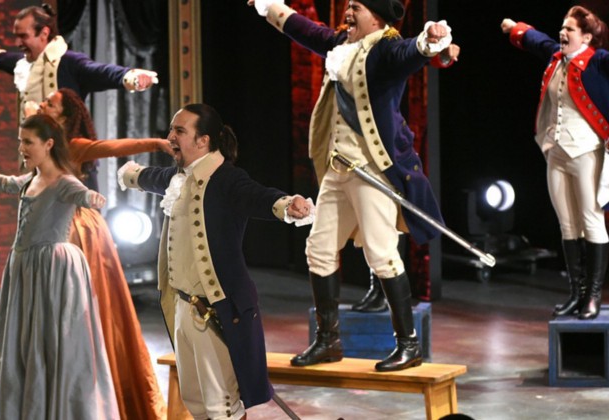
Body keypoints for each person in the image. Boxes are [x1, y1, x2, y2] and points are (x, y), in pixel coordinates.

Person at [249, 0, 454, 372]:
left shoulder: (388, 49)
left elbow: (414, 52)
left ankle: (408, 345)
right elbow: (303, 29)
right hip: (337, 170)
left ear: (376, 16)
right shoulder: (340, 45)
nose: (346, 10)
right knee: (319, 248)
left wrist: (431, 41)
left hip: (372, 172)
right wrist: (270, 6)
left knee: (381, 252)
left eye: (355, 6)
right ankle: (328, 341)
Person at [117, 103, 313, 419]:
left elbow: (259, 196)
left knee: (222, 404)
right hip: (181, 307)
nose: (170, 137)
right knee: (196, 403)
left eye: (179, 131)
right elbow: (150, 177)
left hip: (216, 312)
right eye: (171, 130)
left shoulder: (227, 180)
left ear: (203, 140)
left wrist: (288, 205)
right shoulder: (176, 178)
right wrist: (130, 175)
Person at [0, 114, 118, 419]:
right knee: (24, 339)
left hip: (52, 269)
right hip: (25, 267)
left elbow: (82, 195)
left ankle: (58, 406)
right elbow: (4, 182)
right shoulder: (31, 179)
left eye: (28, 142)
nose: (22, 148)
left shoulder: (65, 181)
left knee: (52, 339)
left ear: (49, 144)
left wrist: (92, 197)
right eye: (19, 141)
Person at [34, 87, 169, 419]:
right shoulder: (40, 142)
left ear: (64, 117)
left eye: (50, 104)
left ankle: (91, 388)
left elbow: (112, 148)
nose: (42, 104)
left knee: (83, 303)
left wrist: (155, 143)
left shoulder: (74, 146)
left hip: (76, 229)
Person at [502, 7, 609, 320]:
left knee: (591, 220)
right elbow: (537, 40)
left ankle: (592, 297)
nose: (563, 33)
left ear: (586, 37)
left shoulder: (598, 61)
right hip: (556, 151)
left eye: (570, 30)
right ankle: (575, 294)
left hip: (587, 152)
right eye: (563, 27)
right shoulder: (555, 56)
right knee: (567, 223)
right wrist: (513, 27)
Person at [0, 3, 158, 124]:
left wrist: (131, 76)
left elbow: (102, 72)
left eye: (23, 36)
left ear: (44, 33)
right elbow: (3, 59)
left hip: (70, 163)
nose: (17, 43)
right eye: (16, 36)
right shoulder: (23, 64)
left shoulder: (71, 63)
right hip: (35, 165)